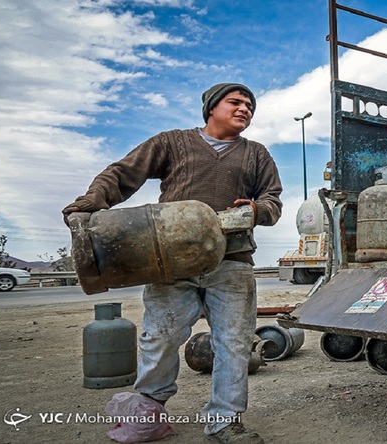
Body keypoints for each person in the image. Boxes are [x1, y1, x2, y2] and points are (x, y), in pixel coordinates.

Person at [62, 82, 282, 444]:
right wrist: (92, 201)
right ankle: (148, 415)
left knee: (235, 343)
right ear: (212, 107)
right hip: (169, 260)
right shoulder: (172, 142)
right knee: (160, 338)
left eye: (250, 106)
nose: (244, 109)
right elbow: (123, 173)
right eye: (235, 102)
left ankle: (225, 421)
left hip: (232, 262)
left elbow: (273, 200)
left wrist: (257, 209)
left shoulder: (256, 154)